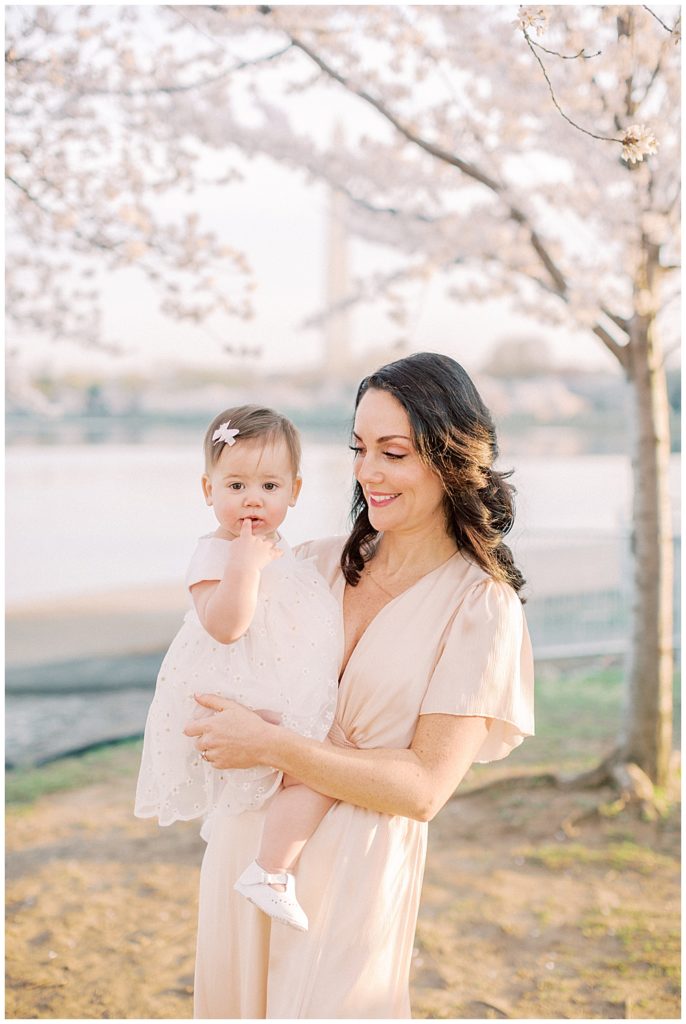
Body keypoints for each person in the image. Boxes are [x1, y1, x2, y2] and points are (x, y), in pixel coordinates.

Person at [185, 352, 535, 1019]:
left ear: (450, 457)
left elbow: (424, 788)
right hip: (245, 845)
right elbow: (218, 671)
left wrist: (272, 744)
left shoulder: (479, 607)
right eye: (359, 448)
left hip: (355, 874)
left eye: (393, 452)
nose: (368, 472)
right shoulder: (309, 563)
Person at [135, 405, 341, 932]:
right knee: (312, 771)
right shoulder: (215, 554)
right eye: (236, 485)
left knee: (314, 768)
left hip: (273, 680)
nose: (253, 498)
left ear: (294, 491)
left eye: (270, 486)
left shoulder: (278, 547)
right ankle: (269, 871)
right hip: (233, 691)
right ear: (208, 489)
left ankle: (269, 865)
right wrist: (242, 569)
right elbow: (224, 626)